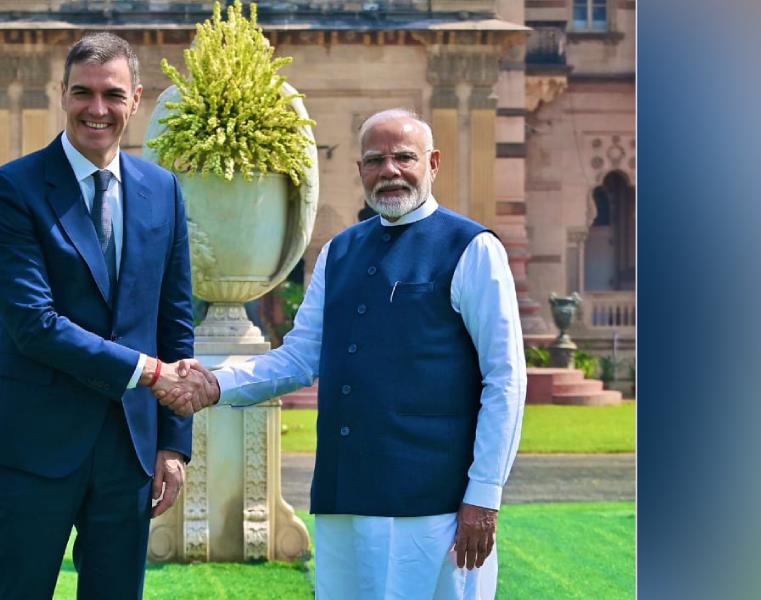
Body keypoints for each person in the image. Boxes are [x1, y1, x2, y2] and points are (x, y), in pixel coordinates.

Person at [166, 109, 527, 598]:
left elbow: (505, 379)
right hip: (346, 496)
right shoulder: (339, 252)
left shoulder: (472, 248)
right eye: (376, 160)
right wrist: (215, 383)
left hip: (434, 504)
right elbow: (299, 357)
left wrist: (484, 497)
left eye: (404, 157)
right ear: (360, 171)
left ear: (433, 163)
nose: (390, 171)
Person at [0, 32, 218, 599]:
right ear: (62, 94)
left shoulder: (164, 192)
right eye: (82, 93)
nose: (97, 109)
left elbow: (174, 320)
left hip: (128, 448)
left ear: (136, 98)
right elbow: (35, 324)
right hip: (34, 443)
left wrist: (173, 445)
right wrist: (153, 374)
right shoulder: (11, 189)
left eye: (113, 94)